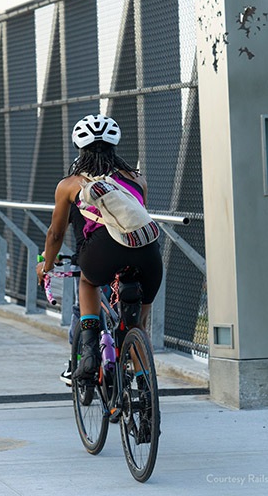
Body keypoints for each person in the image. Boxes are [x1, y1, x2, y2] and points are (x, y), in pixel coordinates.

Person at [35, 114, 163, 386]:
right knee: (137, 325)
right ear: (114, 146)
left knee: (88, 282)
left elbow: (56, 233)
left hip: (103, 251)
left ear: (80, 149)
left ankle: (91, 351)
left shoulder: (70, 184)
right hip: (148, 251)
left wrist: (46, 266)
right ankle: (144, 389)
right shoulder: (137, 179)